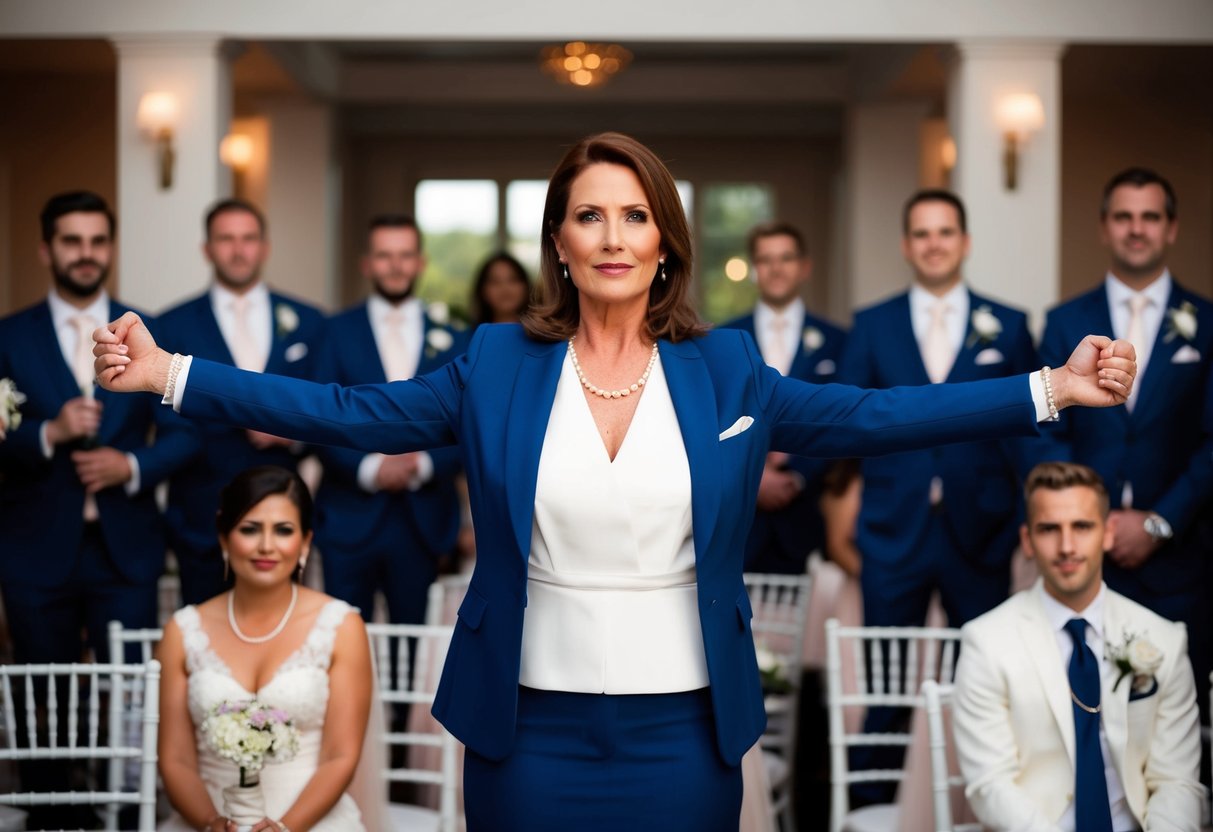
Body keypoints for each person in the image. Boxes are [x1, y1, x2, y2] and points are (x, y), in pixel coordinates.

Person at [94, 132, 1136, 831]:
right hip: (525, 729)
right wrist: (170, 373)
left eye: (634, 217)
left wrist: (1049, 386)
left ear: (664, 243)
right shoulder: (497, 361)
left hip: (681, 732)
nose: (613, 237)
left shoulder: (722, 368)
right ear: (559, 240)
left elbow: (875, 415)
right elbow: (343, 411)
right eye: (590, 217)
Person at [0, 191, 198, 828]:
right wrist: (46, 434)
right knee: (43, 687)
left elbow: (188, 433)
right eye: (71, 241)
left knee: (130, 690)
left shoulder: (151, 334)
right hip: (35, 548)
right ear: (46, 250)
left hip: (126, 548)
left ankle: (123, 811)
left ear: (110, 248)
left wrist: (132, 466)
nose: (86, 254)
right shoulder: (8, 337)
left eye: (96, 241)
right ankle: (51, 812)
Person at [837, 189, 1041, 802]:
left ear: (965, 242)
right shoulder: (872, 325)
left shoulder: (1007, 325)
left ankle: (971, 805)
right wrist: (836, 501)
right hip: (893, 528)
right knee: (886, 680)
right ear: (906, 246)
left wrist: (1036, 509)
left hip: (978, 526)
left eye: (945, 232)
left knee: (980, 678)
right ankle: (873, 808)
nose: (933, 244)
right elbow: (845, 419)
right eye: (921, 233)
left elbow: (1026, 429)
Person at [1039, 167, 1213, 731]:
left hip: (1182, 555)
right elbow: (1049, 429)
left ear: (1170, 229)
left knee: (1177, 716)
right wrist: (1093, 518)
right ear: (1104, 228)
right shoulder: (1064, 321)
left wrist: (1161, 522)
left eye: (1149, 217)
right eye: (1123, 217)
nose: (1136, 229)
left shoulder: (1207, 323)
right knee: (1083, 713)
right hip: (1087, 552)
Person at [953, 461, 1203, 830]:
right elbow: (991, 785)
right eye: (1049, 529)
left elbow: (1175, 781)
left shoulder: (1163, 638)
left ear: (1108, 532)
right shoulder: (986, 641)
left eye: (1082, 526)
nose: (1066, 546)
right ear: (1027, 540)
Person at [157, 466, 375, 832]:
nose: (266, 546)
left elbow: (341, 756)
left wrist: (285, 827)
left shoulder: (341, 626)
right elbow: (176, 759)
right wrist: (210, 823)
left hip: (311, 819)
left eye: (284, 531)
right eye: (250, 528)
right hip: (207, 819)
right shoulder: (182, 631)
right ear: (224, 537)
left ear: (305, 542)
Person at [158, 199, 326, 605]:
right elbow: (166, 421)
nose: (238, 249)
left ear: (264, 247)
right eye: (226, 239)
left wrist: (291, 433)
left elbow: (330, 407)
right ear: (207, 249)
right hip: (202, 513)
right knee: (205, 639)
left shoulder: (309, 321)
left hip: (284, 515)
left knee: (283, 637)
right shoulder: (171, 325)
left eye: (249, 238)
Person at [313, 214, 467, 625]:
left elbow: (468, 424)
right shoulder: (333, 331)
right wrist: (371, 467)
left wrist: (423, 463)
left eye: (405, 255)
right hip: (349, 514)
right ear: (367, 263)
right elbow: (317, 416)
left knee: (411, 648)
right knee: (342, 643)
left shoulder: (456, 337)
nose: (395, 265)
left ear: (421, 262)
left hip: (423, 519)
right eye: (385, 255)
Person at [721, 221, 846, 574]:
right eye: (766, 259)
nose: (776, 268)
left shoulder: (838, 340)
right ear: (754, 269)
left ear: (804, 267)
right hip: (740, 518)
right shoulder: (723, 339)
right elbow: (714, 417)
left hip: (810, 515)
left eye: (786, 258)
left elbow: (843, 419)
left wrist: (799, 475)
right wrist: (753, 476)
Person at [471, 251, 532, 327]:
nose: (505, 288)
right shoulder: (472, 337)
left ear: (526, 286)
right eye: (495, 281)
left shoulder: (541, 336)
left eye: (513, 279)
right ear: (482, 290)